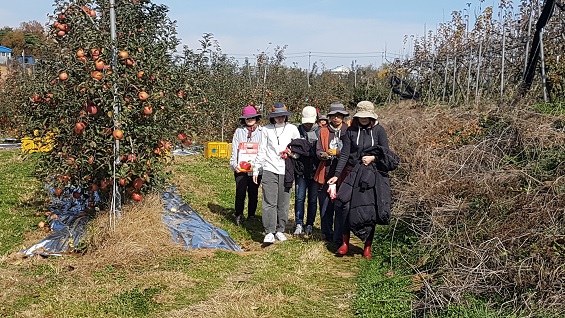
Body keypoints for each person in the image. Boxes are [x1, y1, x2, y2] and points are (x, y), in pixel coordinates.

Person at [327, 101, 399, 258]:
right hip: (351, 173)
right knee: (345, 206)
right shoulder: (351, 131)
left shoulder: (379, 131)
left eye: (367, 116)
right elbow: (345, 154)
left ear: (371, 116)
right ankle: (345, 242)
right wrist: (337, 175)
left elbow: (384, 153)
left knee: (369, 210)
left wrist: (373, 158)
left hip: (371, 175)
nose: (364, 119)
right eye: (361, 116)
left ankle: (367, 246)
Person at [253, 102, 300, 244]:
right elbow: (262, 150)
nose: (280, 118)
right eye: (276, 116)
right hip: (270, 168)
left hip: (286, 169)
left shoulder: (292, 129)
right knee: (269, 201)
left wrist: (292, 154)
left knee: (283, 202)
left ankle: (280, 229)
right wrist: (256, 168)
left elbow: (299, 147)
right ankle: (269, 231)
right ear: (272, 117)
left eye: (282, 116)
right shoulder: (266, 130)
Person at [314, 102, 349, 245]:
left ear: (343, 117)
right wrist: (323, 155)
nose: (336, 118)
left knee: (340, 206)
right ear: (330, 117)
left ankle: (339, 235)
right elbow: (317, 150)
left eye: (339, 116)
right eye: (334, 116)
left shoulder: (349, 130)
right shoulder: (323, 131)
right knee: (325, 205)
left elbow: (351, 152)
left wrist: (338, 153)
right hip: (326, 172)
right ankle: (327, 233)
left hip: (343, 175)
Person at [229, 105, 262, 226]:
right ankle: (238, 214)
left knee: (253, 192)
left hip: (255, 169)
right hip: (241, 168)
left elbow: (262, 150)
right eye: (247, 118)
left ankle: (251, 215)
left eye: (252, 117)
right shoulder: (239, 132)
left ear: (256, 118)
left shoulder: (262, 132)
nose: (250, 119)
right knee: (240, 192)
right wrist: (234, 165)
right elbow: (234, 151)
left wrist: (258, 166)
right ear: (244, 119)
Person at [293, 106, 321, 235]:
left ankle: (309, 224)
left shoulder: (320, 131)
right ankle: (299, 223)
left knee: (313, 199)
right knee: (299, 197)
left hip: (315, 170)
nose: (308, 124)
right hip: (301, 170)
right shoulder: (297, 130)